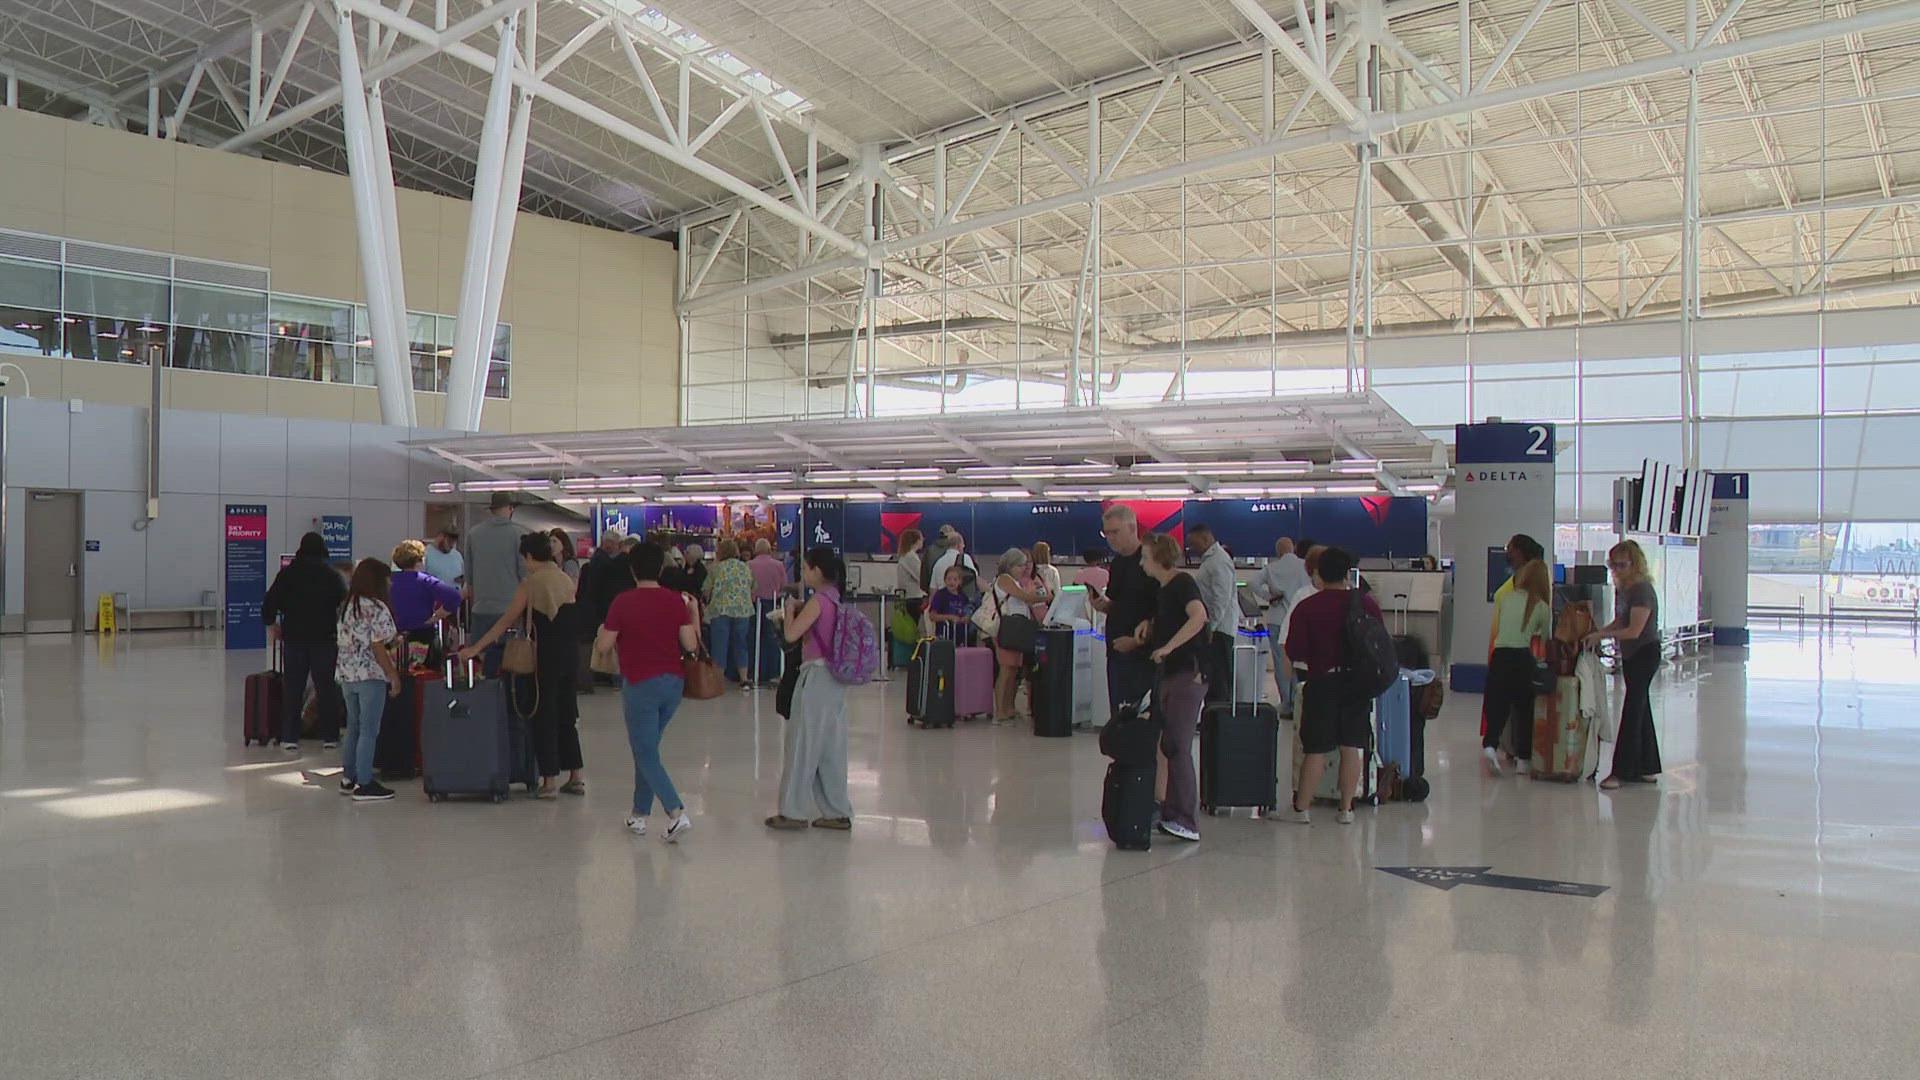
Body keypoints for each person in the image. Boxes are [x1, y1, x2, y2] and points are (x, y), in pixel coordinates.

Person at [460, 533, 584, 799]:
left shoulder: (531, 583)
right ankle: (576, 777)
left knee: (544, 716)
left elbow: (505, 622)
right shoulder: (565, 578)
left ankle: (549, 781)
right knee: (567, 715)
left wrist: (475, 647)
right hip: (569, 656)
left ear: (528, 557)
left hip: (543, 658)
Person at [593, 542, 696, 841]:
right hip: (673, 684)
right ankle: (639, 814)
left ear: (631, 569)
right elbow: (689, 644)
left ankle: (676, 812)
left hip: (640, 683)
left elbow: (604, 647)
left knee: (645, 751)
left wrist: (604, 630)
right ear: (661, 568)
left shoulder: (623, 602)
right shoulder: (675, 601)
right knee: (648, 748)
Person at [1280, 546, 1381, 826]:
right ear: (1348, 574)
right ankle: (1346, 808)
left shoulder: (1308, 606)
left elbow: (1296, 649)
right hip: (1357, 683)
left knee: (1316, 748)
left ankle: (1302, 808)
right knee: (1352, 745)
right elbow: (1378, 642)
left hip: (1322, 682)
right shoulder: (1365, 604)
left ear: (1319, 574)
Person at [1124, 532, 1210, 841]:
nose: (1142, 563)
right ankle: (1171, 811)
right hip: (1171, 673)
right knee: (1167, 743)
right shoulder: (1165, 590)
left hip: (1186, 672)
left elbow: (1198, 617)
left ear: (1159, 558)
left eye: (1145, 557)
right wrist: (1151, 626)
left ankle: (1186, 818)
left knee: (1178, 745)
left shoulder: (1182, 583)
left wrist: (1169, 647)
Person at [766, 546, 855, 832]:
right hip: (834, 679)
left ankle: (792, 811)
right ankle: (837, 810)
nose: (803, 573)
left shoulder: (818, 601)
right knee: (830, 747)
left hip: (815, 677)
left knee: (802, 744)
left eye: (805, 568)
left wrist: (789, 612)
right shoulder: (835, 599)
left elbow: (791, 635)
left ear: (818, 571)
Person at [262, 532, 347, 754]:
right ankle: (330, 735)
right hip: (324, 639)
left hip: (294, 639)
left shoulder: (288, 574)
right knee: (325, 688)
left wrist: (272, 625)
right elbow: (344, 604)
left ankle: (289, 736)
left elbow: (269, 602)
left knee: (293, 688)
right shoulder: (331, 575)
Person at [1587, 540, 1663, 790]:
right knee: (1641, 708)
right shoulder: (1626, 589)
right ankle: (1647, 766)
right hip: (1633, 655)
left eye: (1622, 564)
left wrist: (1601, 636)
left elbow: (1633, 630)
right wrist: (1599, 632)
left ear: (1635, 564)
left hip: (1644, 653)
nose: (1616, 570)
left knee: (1632, 710)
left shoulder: (1641, 590)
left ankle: (1620, 771)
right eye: (1613, 565)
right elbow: (1621, 620)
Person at [334, 557, 401, 801]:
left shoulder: (347, 606)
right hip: (370, 675)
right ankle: (365, 783)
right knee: (369, 730)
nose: (390, 585)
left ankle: (348, 777)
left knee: (353, 727)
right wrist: (393, 675)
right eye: (387, 579)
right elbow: (378, 647)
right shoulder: (377, 607)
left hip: (347, 675)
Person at [1483, 558, 1553, 774]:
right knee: (1524, 708)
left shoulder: (1506, 598)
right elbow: (1546, 640)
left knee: (1498, 705)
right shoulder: (1542, 607)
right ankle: (1524, 759)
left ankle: (1490, 745)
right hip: (1523, 658)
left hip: (1500, 655)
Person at [1090, 505, 1158, 711]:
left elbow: (1160, 610)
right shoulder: (1118, 563)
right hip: (1117, 650)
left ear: (1132, 528)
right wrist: (1102, 606)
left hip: (1143, 654)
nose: (1111, 538)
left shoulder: (1150, 562)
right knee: (1119, 712)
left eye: (1115, 532)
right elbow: (1118, 604)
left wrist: (1137, 641)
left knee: (1140, 715)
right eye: (1106, 533)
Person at [467, 492, 532, 665]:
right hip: (510, 610)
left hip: (481, 609)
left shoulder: (474, 534)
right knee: (510, 661)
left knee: (481, 660)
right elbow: (525, 575)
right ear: (510, 509)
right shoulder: (519, 534)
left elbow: (469, 577)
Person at [988, 547, 1049, 725]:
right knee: (1006, 670)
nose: (1024, 568)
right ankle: (1000, 712)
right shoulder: (1005, 579)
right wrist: (1042, 597)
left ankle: (1008, 709)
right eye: (1020, 565)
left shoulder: (1014, 580)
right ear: (1010, 565)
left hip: (1015, 630)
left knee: (1013, 670)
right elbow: (1025, 597)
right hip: (1005, 630)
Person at [1252, 537, 1311, 711]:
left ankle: (1286, 701)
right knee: (1299, 661)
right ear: (1293, 548)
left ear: (1278, 551)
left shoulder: (1270, 568)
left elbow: (1253, 583)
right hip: (1300, 621)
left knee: (1280, 662)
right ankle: (1299, 699)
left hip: (1277, 620)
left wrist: (1268, 597)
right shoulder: (1305, 566)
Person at [1188, 524, 1240, 705]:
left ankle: (1220, 720)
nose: (1192, 549)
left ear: (1205, 539)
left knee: (1219, 680)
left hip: (1220, 630)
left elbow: (1221, 599)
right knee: (1212, 678)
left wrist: (1211, 627)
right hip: (1213, 628)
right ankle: (1213, 716)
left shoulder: (1219, 561)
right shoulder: (1210, 560)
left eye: (1194, 544)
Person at [705, 539, 757, 687]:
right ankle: (744, 678)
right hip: (742, 610)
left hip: (720, 610)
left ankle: (718, 681)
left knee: (719, 645)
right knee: (741, 644)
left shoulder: (715, 569)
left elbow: (707, 590)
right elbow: (754, 587)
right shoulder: (746, 568)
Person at [388, 540, 462, 639]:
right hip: (422, 632)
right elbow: (454, 596)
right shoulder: (427, 581)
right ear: (419, 560)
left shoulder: (388, 580)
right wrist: (436, 617)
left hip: (393, 633)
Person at [749, 538, 790, 684]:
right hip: (773, 604)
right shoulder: (778, 565)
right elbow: (784, 585)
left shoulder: (749, 565)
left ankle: (756, 671)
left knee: (755, 638)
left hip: (754, 604)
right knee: (772, 638)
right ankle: (774, 672)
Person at [925, 526, 980, 598]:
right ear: (959, 545)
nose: (963, 546)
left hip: (942, 603)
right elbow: (976, 580)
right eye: (963, 544)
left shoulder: (938, 563)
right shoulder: (964, 558)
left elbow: (933, 590)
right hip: (959, 602)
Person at [927, 564, 973, 639]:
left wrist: (966, 618)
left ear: (960, 581)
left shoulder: (963, 596)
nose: (951, 582)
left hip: (961, 636)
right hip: (944, 635)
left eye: (955, 579)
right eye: (949, 579)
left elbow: (968, 611)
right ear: (945, 580)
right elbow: (932, 616)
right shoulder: (940, 595)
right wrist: (949, 617)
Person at [896, 528, 926, 623]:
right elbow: (921, 576)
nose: (923, 541)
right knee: (912, 627)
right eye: (921, 539)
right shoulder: (910, 557)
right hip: (913, 598)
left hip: (908, 597)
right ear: (916, 540)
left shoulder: (906, 556)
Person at [423, 526, 465, 593]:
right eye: (449, 541)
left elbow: (464, 577)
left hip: (454, 599)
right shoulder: (425, 554)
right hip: (433, 600)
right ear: (441, 537)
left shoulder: (457, 555)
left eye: (454, 542)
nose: (452, 545)